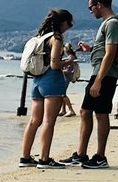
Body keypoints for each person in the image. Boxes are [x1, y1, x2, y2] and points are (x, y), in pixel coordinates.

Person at [62, 0, 118, 169]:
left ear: (99, 5)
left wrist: (98, 80)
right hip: (102, 72)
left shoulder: (112, 23)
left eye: (91, 7)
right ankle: (82, 154)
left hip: (104, 75)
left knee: (100, 113)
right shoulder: (108, 23)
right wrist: (91, 49)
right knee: (86, 111)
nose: (90, 11)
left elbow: (110, 53)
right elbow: (106, 51)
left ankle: (100, 156)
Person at [20, 9, 76, 168]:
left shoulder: (40, 37)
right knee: (48, 121)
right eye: (69, 24)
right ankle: (44, 159)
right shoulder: (56, 38)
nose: (68, 27)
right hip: (52, 81)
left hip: (37, 80)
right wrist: (69, 60)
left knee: (33, 121)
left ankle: (25, 157)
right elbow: (55, 64)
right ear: (63, 22)